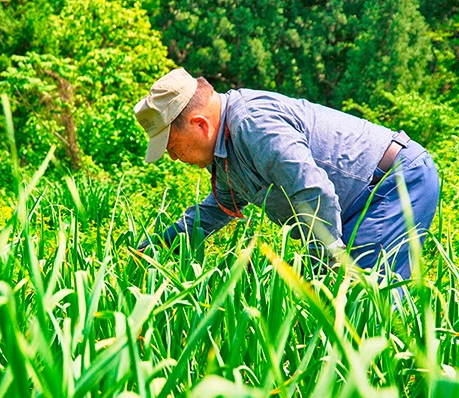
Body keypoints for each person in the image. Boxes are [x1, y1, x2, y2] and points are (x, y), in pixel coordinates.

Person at [133, 68, 439, 279]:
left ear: (201, 124)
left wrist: (331, 259)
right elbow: (216, 210)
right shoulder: (226, 153)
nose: (173, 157)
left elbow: (311, 189)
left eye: (172, 146)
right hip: (346, 209)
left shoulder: (253, 125)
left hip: (391, 184)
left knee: (366, 305)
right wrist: (159, 244)